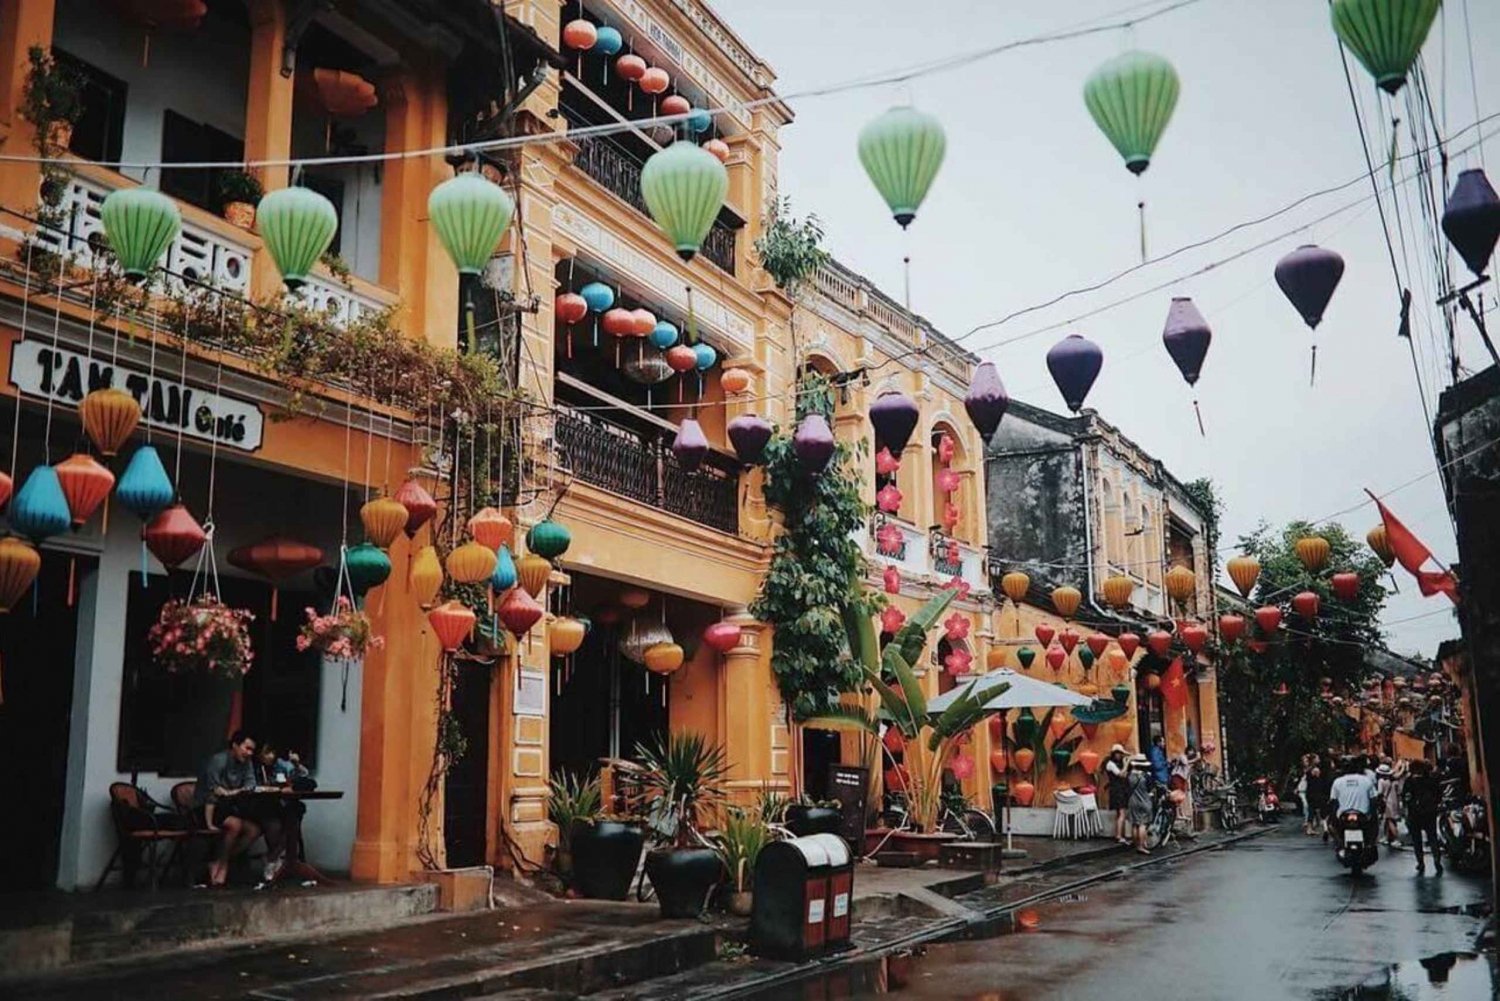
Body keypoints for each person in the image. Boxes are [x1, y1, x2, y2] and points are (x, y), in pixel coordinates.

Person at [193, 731, 263, 887]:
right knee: (235, 825)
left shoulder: (247, 763)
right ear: (235, 746)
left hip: (229, 806)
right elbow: (214, 789)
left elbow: (251, 784)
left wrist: (242, 791)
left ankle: (219, 860)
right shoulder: (218, 761)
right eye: (246, 748)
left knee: (254, 830)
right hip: (207, 807)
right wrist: (234, 792)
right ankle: (222, 866)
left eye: (252, 750)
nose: (249, 753)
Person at [1402, 759, 1443, 875]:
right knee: (1432, 836)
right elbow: (1438, 794)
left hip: (1415, 813)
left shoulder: (1409, 781)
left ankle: (1420, 862)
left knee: (1417, 839)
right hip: (1430, 812)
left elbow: (1405, 797)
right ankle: (1436, 859)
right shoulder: (1431, 780)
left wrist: (1409, 807)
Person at [1329, 757, 1379, 838]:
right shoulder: (1366, 780)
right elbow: (1373, 799)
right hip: (1363, 814)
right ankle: (1371, 843)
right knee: (1373, 825)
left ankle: (1340, 845)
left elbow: (1334, 800)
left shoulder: (1337, 782)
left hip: (1343, 815)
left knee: (1333, 826)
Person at [1127, 755, 1154, 855]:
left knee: (1135, 824)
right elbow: (1150, 791)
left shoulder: (1130, 775)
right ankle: (1142, 846)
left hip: (1132, 801)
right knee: (1142, 825)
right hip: (1144, 801)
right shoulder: (1146, 776)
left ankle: (1136, 844)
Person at [1105, 744, 1131, 845]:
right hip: (1117, 790)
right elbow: (1121, 774)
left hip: (1120, 790)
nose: (1120, 755)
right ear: (1113, 753)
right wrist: (1126, 763)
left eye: (1120, 753)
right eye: (1118, 753)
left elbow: (1131, 755)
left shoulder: (1116, 763)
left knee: (1120, 814)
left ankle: (1120, 835)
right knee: (1122, 814)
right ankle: (1119, 836)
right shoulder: (1111, 764)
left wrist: (1126, 755)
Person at [1378, 760, 1406, 846]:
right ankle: (1387, 837)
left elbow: (1380, 792)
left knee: (1390, 820)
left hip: (1386, 802)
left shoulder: (1381, 781)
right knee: (1389, 820)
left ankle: (1396, 838)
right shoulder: (1393, 780)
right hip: (1394, 801)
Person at [1305, 761, 1332, 840]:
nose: (1317, 773)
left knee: (1322, 813)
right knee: (1311, 813)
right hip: (1312, 798)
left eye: (1318, 772)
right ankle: (1309, 829)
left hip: (1320, 798)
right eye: (1315, 772)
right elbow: (1307, 772)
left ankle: (1321, 827)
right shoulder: (1310, 779)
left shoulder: (1321, 779)